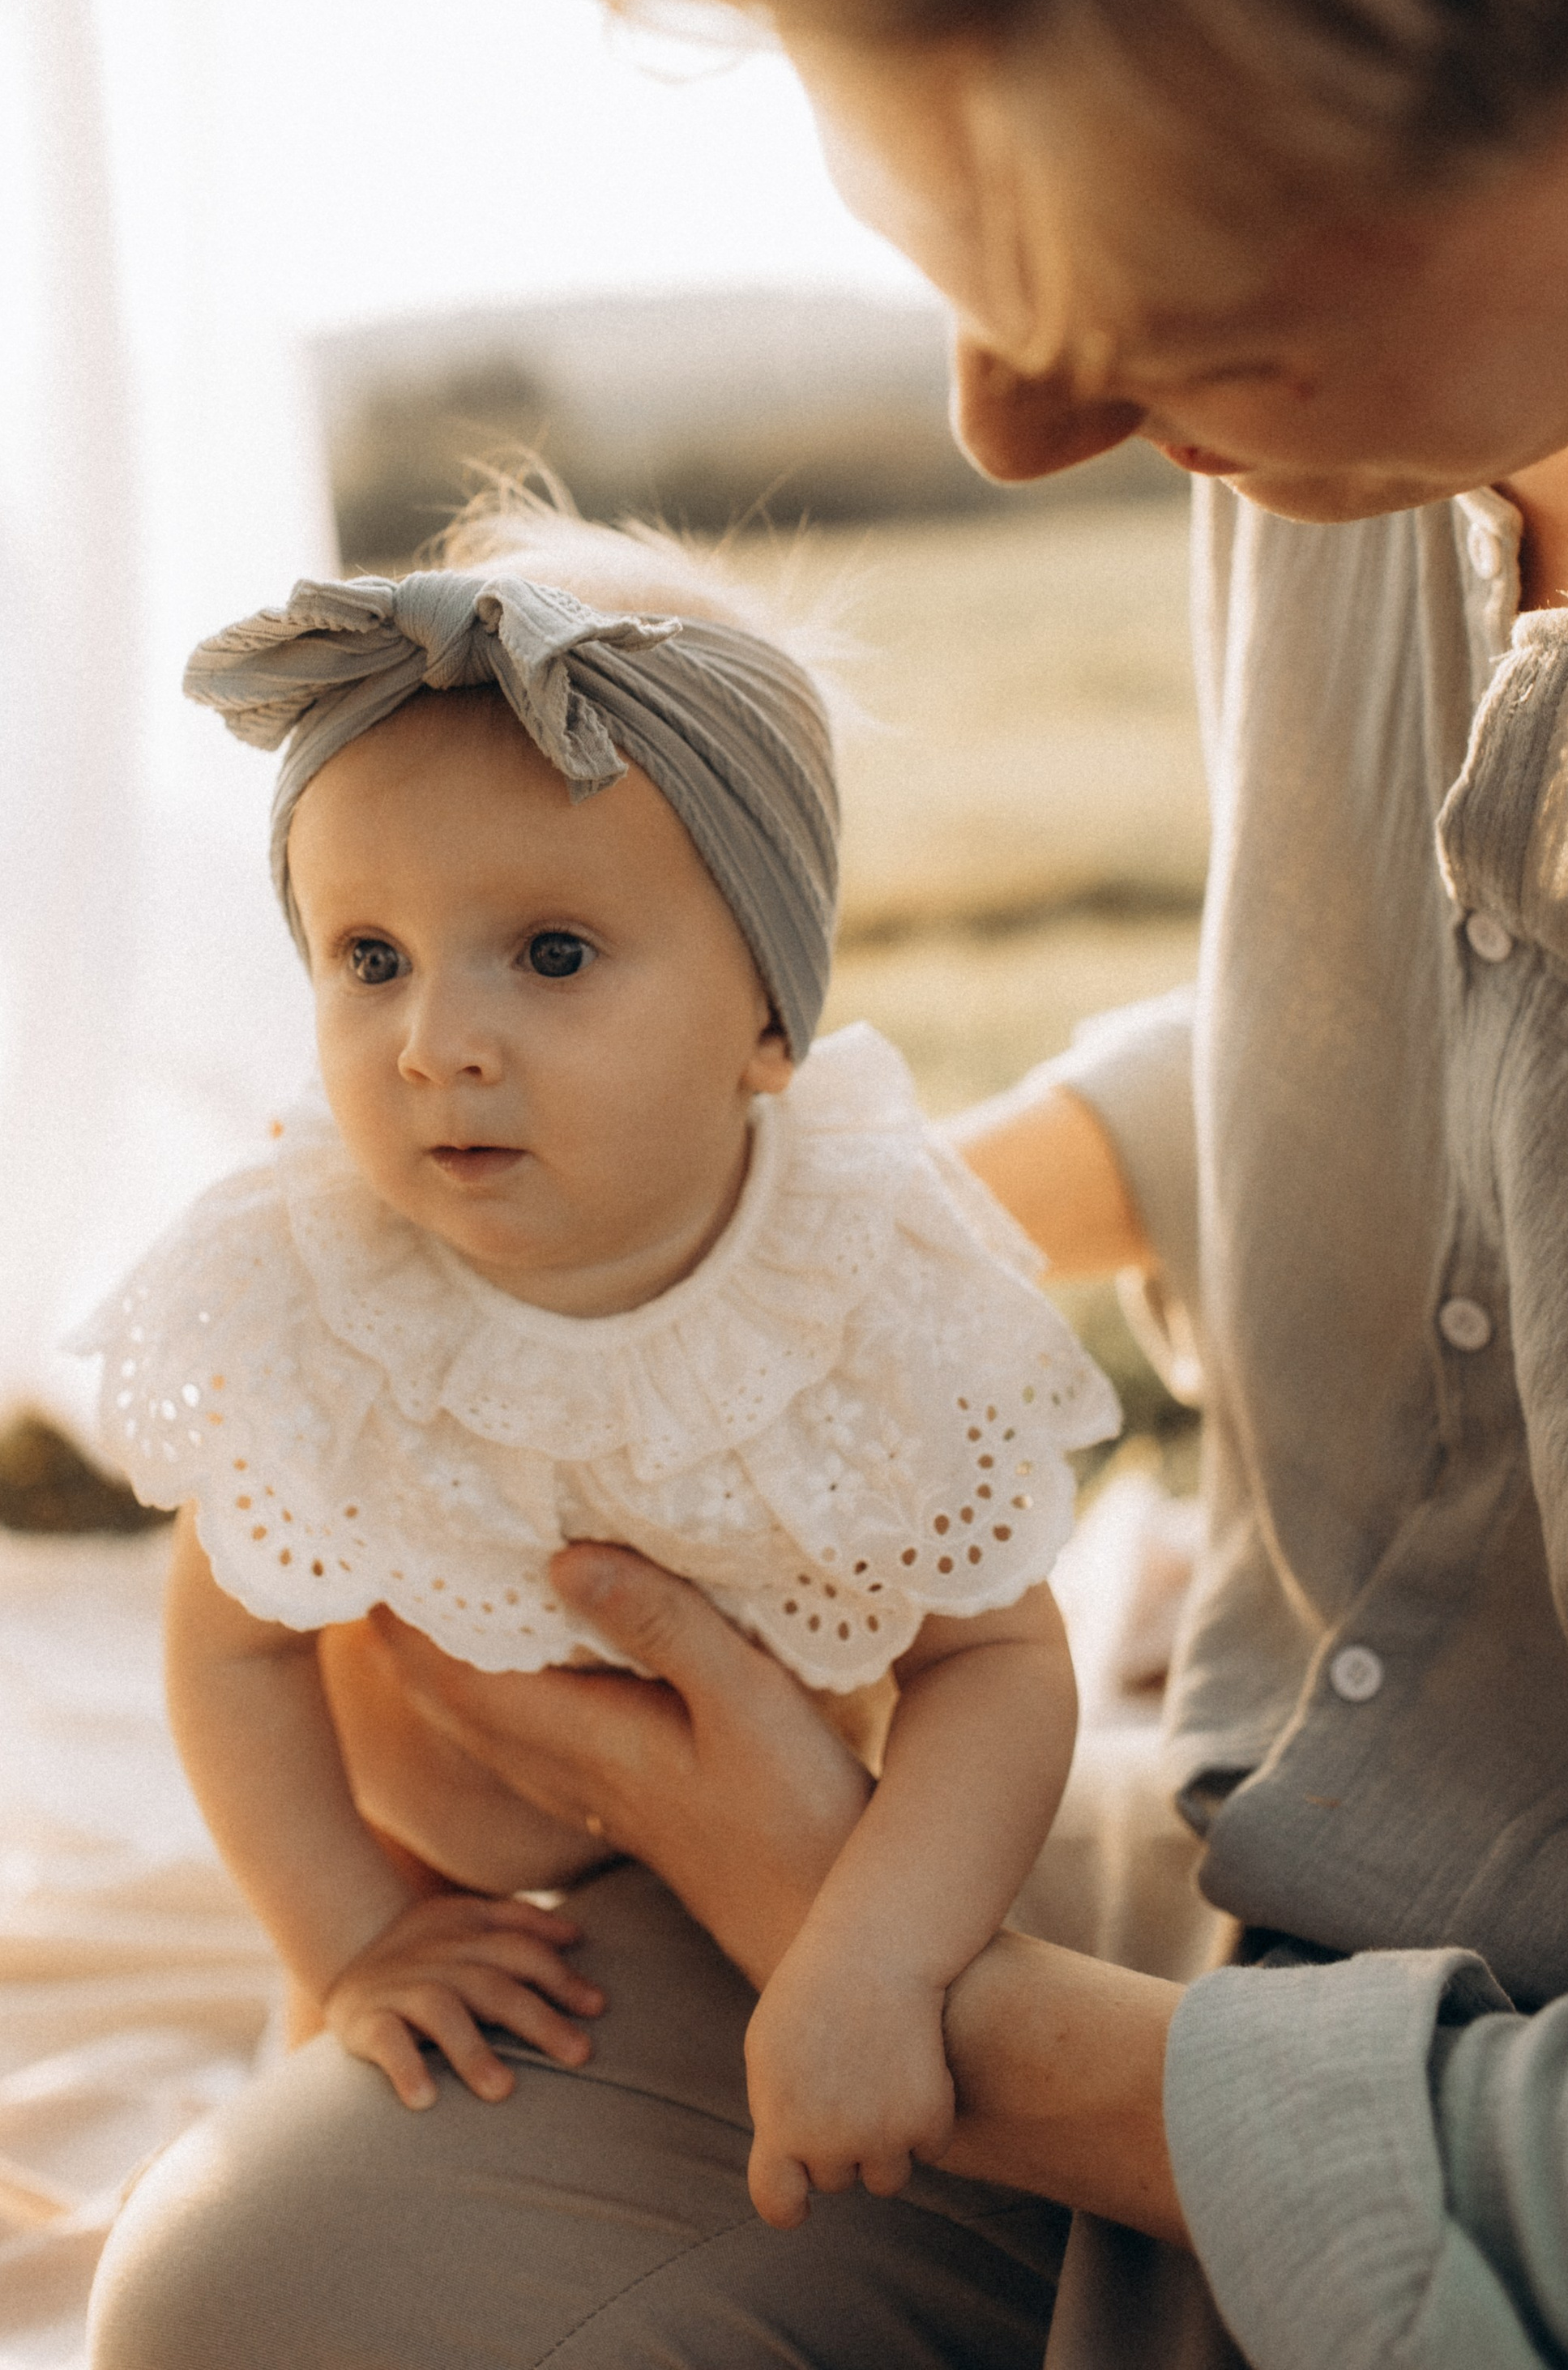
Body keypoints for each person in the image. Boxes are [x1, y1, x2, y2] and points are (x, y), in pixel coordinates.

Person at [91, 0, 1568, 2361]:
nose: (1010, 421)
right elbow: (1474, 1042)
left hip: (1488, 2136)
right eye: (961, 255)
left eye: (1183, 306)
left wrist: (925, 1976)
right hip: (1226, 1857)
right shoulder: (1393, 426)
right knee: (263, 2319)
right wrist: (804, 1257)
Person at [78, 497, 1121, 2228]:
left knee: (870, 2149)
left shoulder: (863, 1279)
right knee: (328, 2214)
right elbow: (233, 1648)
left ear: (767, 1015)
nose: (435, 1045)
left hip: (808, 1870)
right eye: (370, 959)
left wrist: (874, 1955)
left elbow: (994, 1668)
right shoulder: (322, 1277)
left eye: (550, 955)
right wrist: (352, 1935)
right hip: (440, 1884)